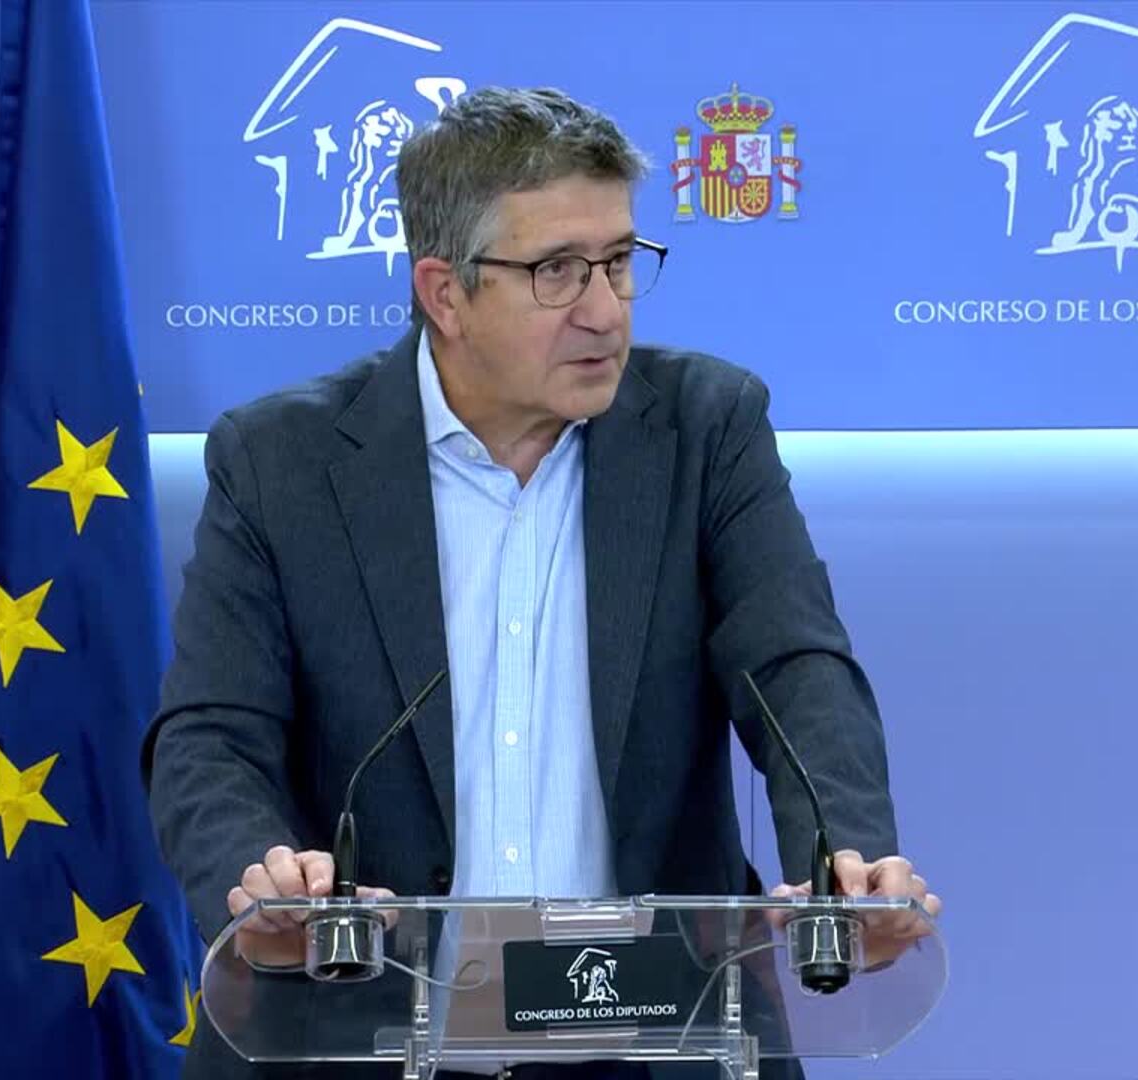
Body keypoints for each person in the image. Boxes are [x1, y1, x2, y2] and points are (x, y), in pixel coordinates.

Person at [145, 86, 941, 1080]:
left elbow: (795, 669)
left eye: (619, 262)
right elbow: (210, 735)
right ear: (445, 293)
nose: (605, 311)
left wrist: (845, 860)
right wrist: (256, 877)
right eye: (557, 272)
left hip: (652, 1041)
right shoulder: (281, 463)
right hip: (360, 1037)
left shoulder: (706, 429)